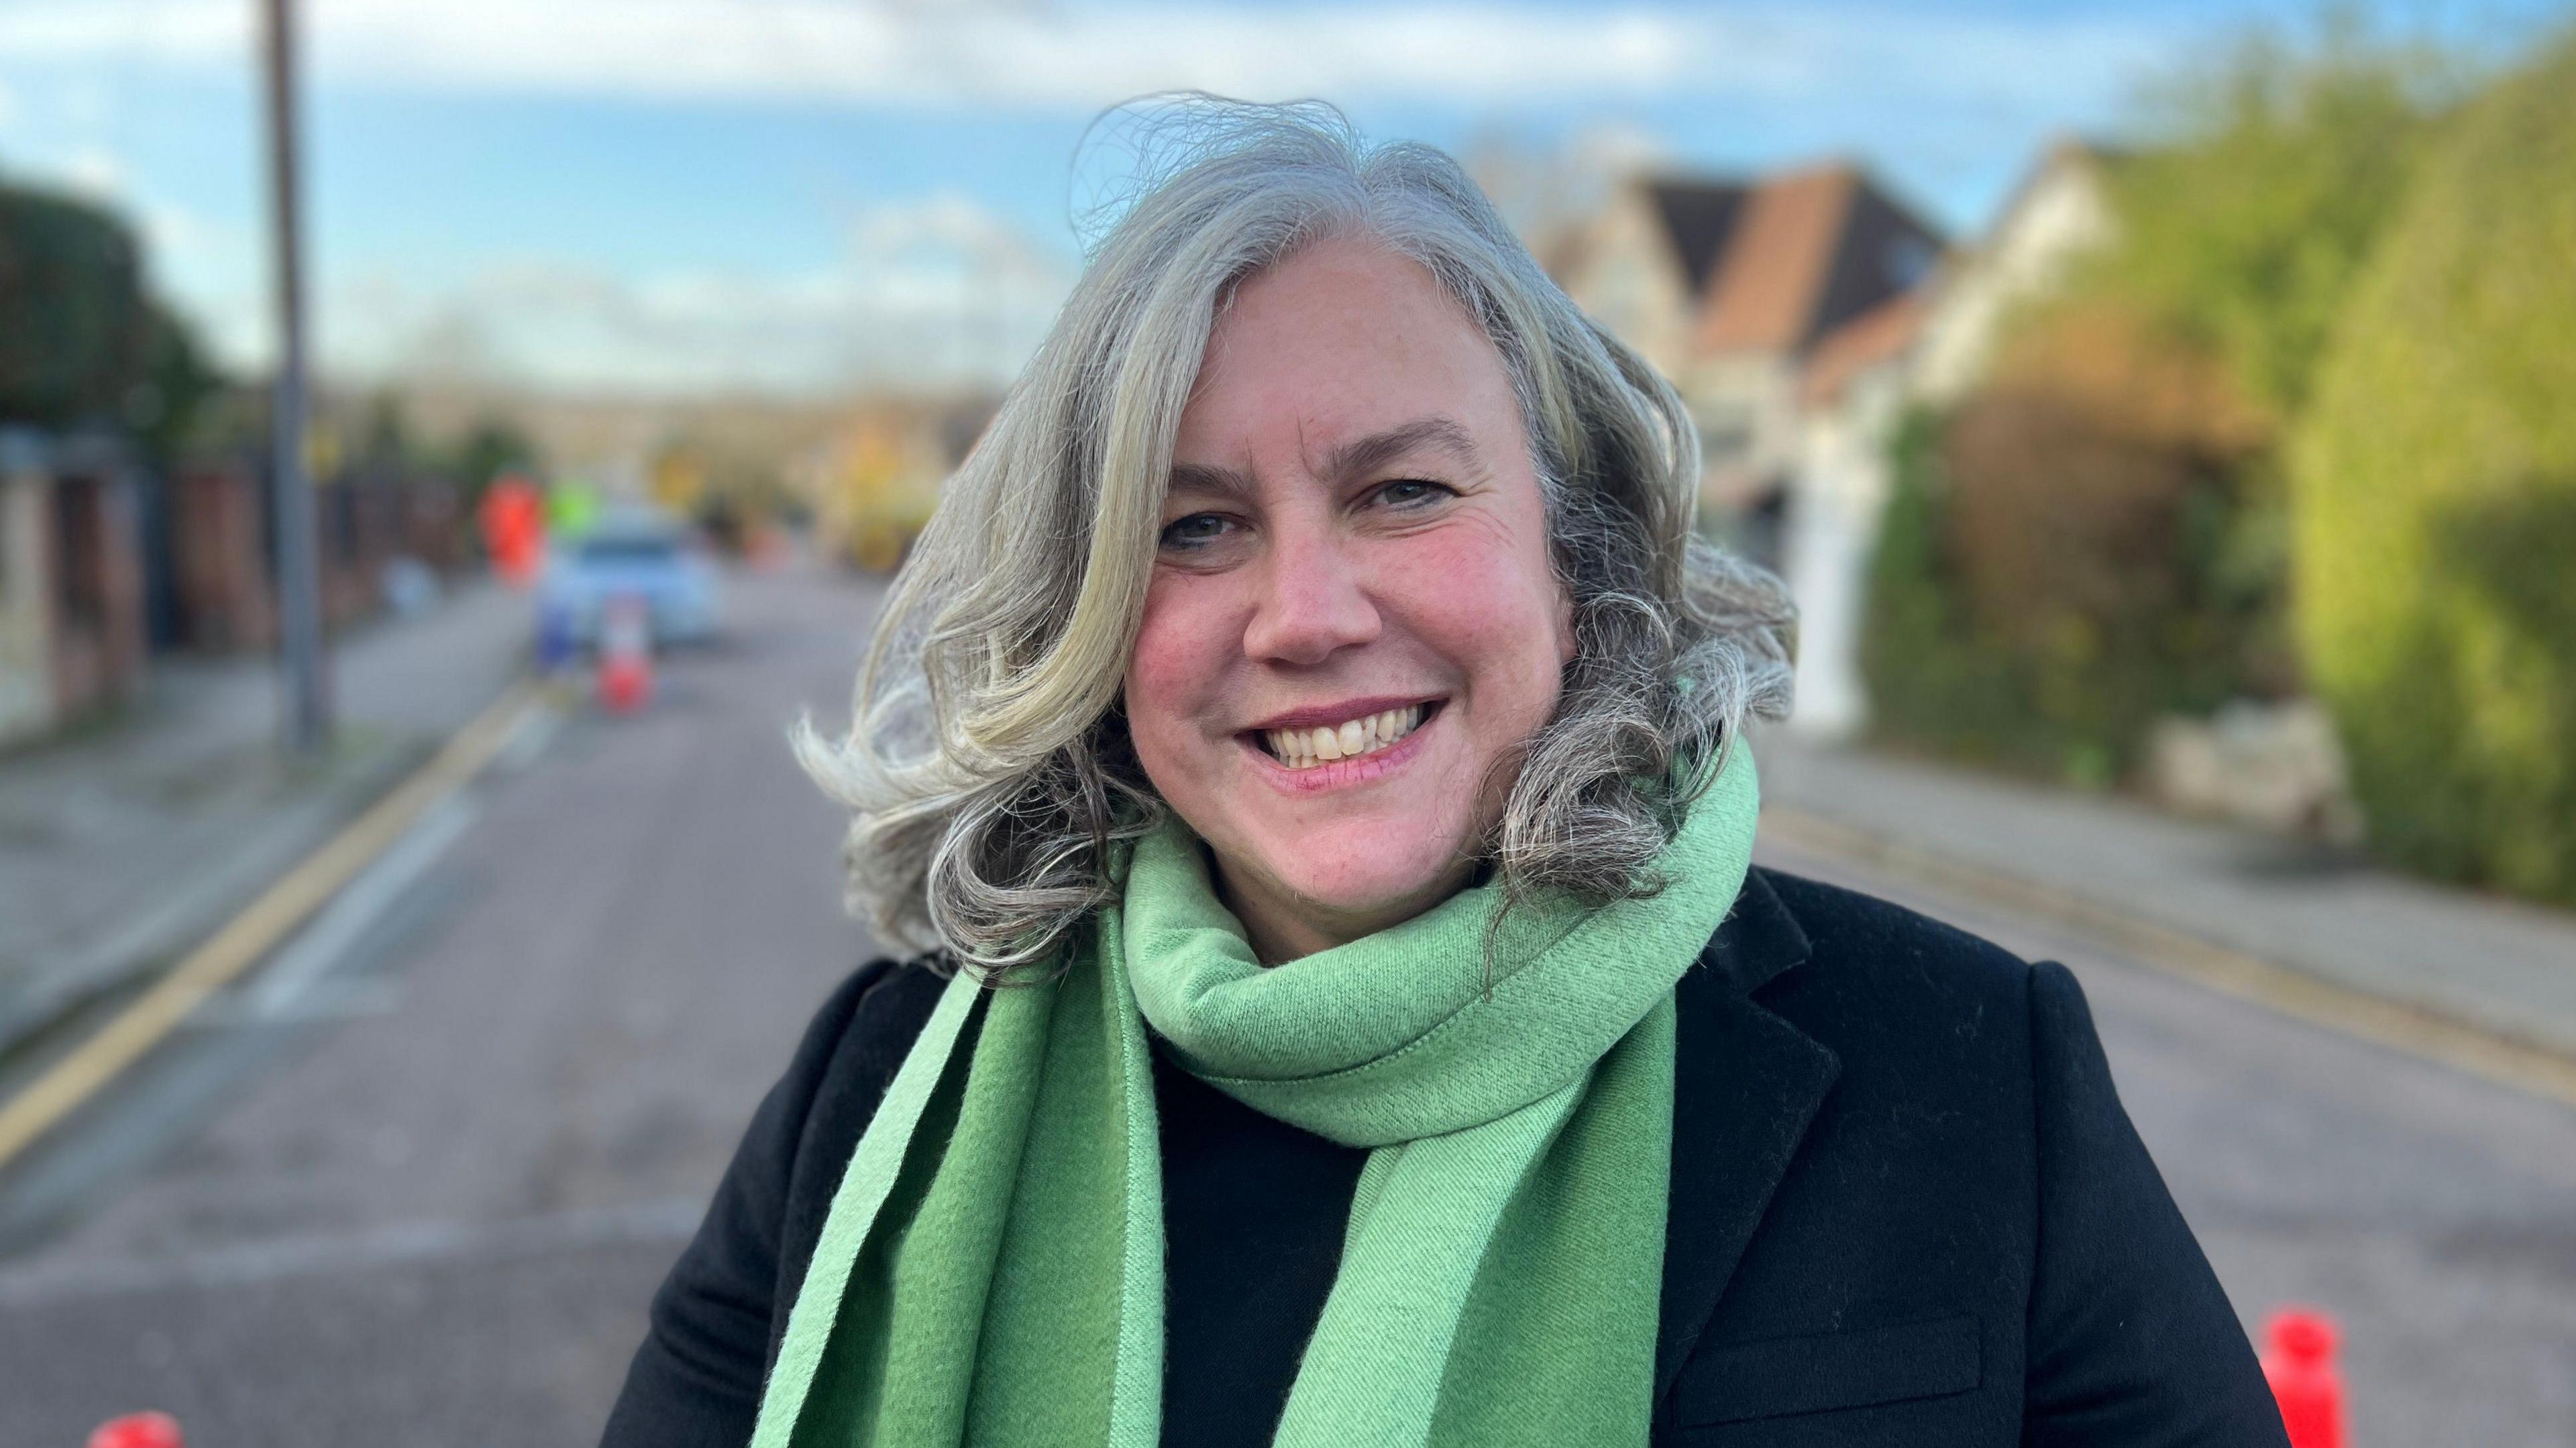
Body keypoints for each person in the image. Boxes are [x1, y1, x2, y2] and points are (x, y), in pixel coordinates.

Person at [600, 103, 2288, 1448]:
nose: (1309, 615)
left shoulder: (1971, 1072)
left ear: (1577, 550)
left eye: (1404, 492)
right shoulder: (885, 1102)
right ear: (1097, 625)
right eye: (1194, 528)